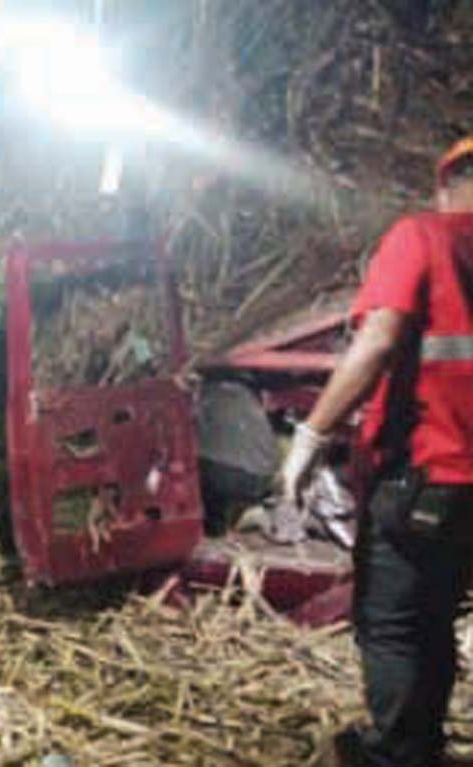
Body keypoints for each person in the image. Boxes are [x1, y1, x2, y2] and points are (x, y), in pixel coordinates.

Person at [279, 137, 473, 767]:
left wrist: (310, 437)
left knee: (392, 625)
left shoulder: (423, 236)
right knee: (436, 615)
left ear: (448, 184)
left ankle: (396, 755)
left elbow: (379, 339)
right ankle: (423, 744)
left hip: (426, 475)